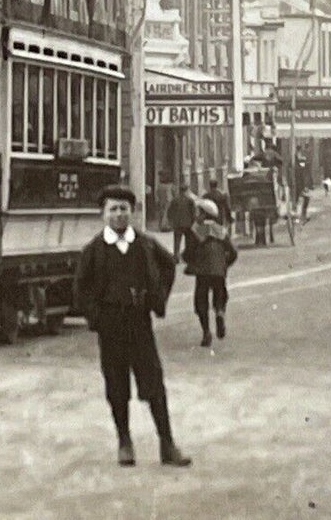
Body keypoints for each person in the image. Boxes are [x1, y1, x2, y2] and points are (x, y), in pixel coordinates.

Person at [73, 184, 190, 468]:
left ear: (132, 212)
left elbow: (168, 266)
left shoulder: (145, 244)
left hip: (139, 324)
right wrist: (96, 317)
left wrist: (157, 298)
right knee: (116, 385)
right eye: (112, 209)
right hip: (110, 327)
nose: (119, 215)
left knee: (153, 383)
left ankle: (167, 444)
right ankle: (124, 442)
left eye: (124, 209)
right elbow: (80, 288)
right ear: (103, 214)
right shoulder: (94, 250)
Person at [185, 196, 236, 347]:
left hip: (202, 272)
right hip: (219, 271)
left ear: (205, 214)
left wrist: (188, 260)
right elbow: (233, 252)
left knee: (201, 301)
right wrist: (224, 265)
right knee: (220, 294)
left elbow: (189, 252)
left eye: (199, 212)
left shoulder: (195, 231)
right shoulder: (221, 231)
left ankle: (206, 332)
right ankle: (220, 312)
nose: (196, 215)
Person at [166, 186, 197, 264]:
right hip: (188, 224)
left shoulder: (175, 200)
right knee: (188, 242)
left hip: (177, 224)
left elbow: (169, 211)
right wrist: (193, 222)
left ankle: (176, 257)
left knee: (177, 241)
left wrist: (171, 221)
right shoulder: (190, 200)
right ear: (186, 190)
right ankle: (188, 258)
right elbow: (193, 212)